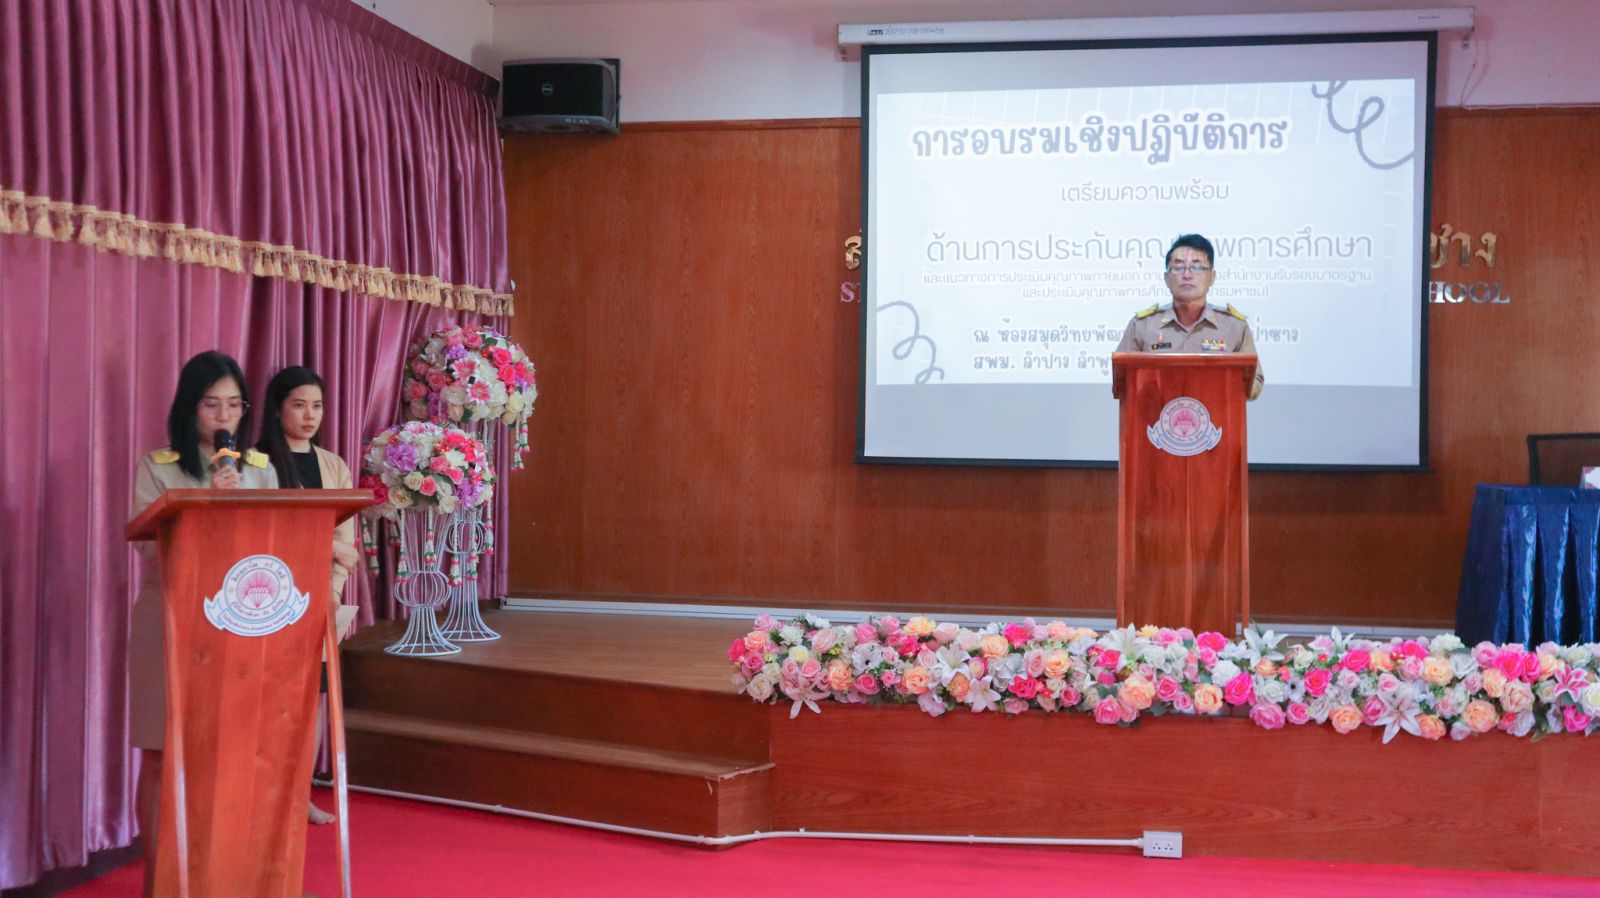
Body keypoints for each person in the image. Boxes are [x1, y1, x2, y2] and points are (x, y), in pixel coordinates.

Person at [130, 351, 278, 897]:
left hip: (240, 627)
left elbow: (275, 548)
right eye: (211, 404)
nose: (223, 416)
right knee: (162, 751)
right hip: (171, 618)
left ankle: (223, 878)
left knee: (232, 753)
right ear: (189, 407)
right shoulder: (159, 465)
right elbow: (150, 545)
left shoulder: (260, 469)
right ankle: (160, 883)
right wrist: (209, 501)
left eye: (234, 405)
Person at [257, 365, 360, 826]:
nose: (309, 415)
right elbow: (265, 535)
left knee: (311, 700)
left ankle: (299, 796)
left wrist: (331, 592)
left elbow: (345, 543)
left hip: (318, 600)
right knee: (266, 703)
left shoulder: (333, 465)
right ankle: (263, 798)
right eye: (299, 405)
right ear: (277, 409)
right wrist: (324, 547)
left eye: (316, 406)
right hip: (268, 601)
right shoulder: (255, 463)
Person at [1116, 233, 1264, 400]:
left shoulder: (1234, 326)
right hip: (1156, 414)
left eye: (1197, 267)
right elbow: (1122, 382)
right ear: (1166, 278)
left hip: (1215, 415)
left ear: (1212, 277)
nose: (1187, 275)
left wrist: (1215, 387)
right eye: (1178, 267)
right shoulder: (1142, 326)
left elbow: (1254, 383)